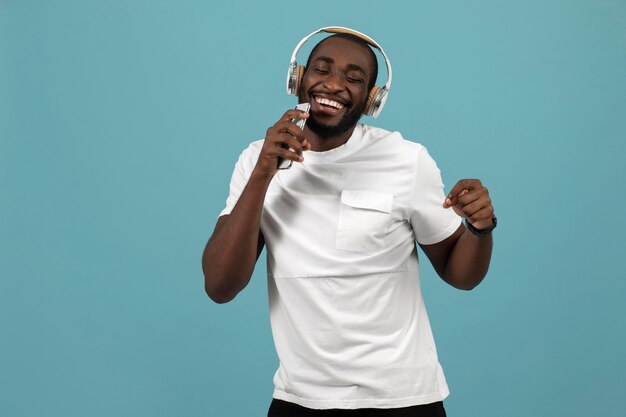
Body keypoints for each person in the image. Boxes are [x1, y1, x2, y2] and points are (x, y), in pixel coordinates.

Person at [202, 27, 496, 417]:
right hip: (300, 399)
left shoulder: (405, 159)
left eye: (354, 78)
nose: (334, 84)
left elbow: (461, 275)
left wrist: (480, 228)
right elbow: (220, 286)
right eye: (322, 70)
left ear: (372, 99)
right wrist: (262, 176)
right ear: (298, 78)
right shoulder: (256, 158)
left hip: (404, 399)